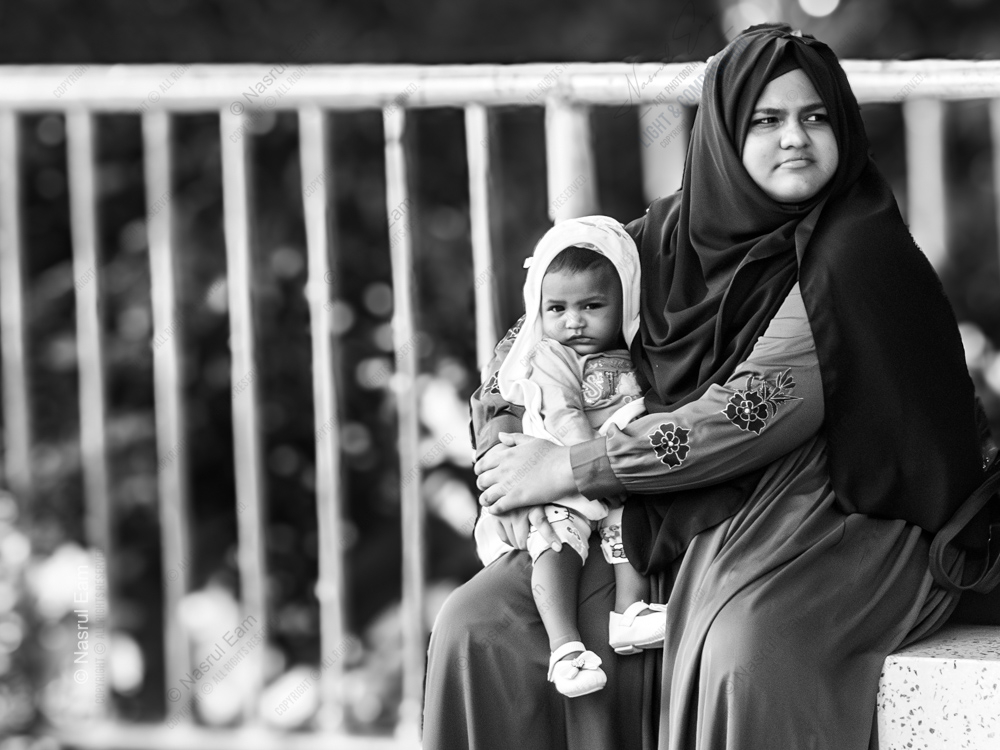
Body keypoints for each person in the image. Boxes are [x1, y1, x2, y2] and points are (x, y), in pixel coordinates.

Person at [424, 23, 998, 750]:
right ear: (724, 132)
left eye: (816, 117)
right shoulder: (667, 234)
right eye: (766, 120)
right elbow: (529, 338)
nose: (795, 138)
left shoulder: (853, 252)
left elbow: (745, 415)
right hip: (656, 514)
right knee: (478, 626)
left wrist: (570, 465)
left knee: (744, 655)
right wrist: (506, 450)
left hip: (837, 510)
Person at [472, 216, 667, 699]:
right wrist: (588, 462)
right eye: (556, 308)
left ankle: (630, 612)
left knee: (629, 528)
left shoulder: (640, 347)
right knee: (558, 540)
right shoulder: (550, 353)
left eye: (592, 307)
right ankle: (565, 646)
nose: (573, 321)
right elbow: (561, 411)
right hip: (559, 469)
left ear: (626, 300)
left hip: (617, 467)